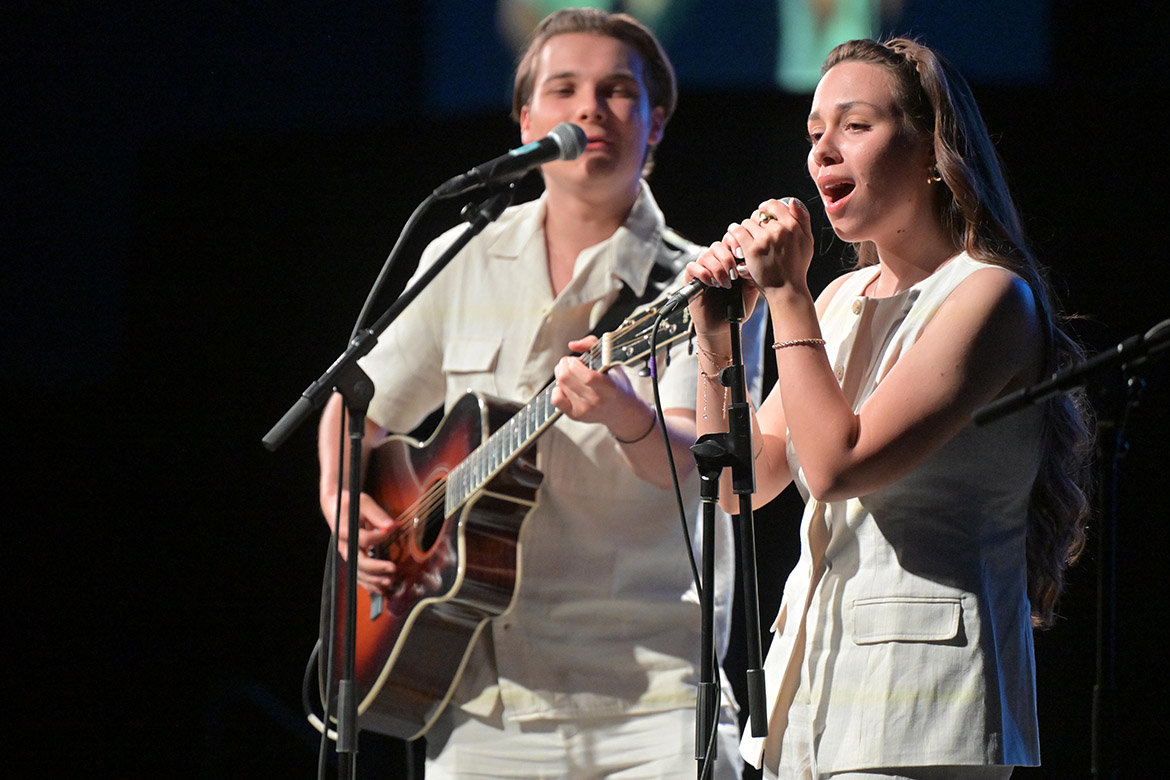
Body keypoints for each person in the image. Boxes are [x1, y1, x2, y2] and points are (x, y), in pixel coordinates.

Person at [317, 8, 755, 779]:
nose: (590, 108)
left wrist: (623, 410)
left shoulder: (699, 286)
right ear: (527, 121)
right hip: (478, 702)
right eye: (565, 88)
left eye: (619, 91)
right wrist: (344, 501)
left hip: (650, 706)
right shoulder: (461, 255)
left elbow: (701, 466)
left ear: (655, 127)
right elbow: (356, 400)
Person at [686, 38, 1093, 780]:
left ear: (934, 149)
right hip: (810, 696)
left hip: (925, 709)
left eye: (855, 126)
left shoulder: (989, 296)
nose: (823, 153)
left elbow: (841, 466)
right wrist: (719, 341)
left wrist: (784, 296)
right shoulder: (838, 303)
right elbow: (741, 485)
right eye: (814, 134)